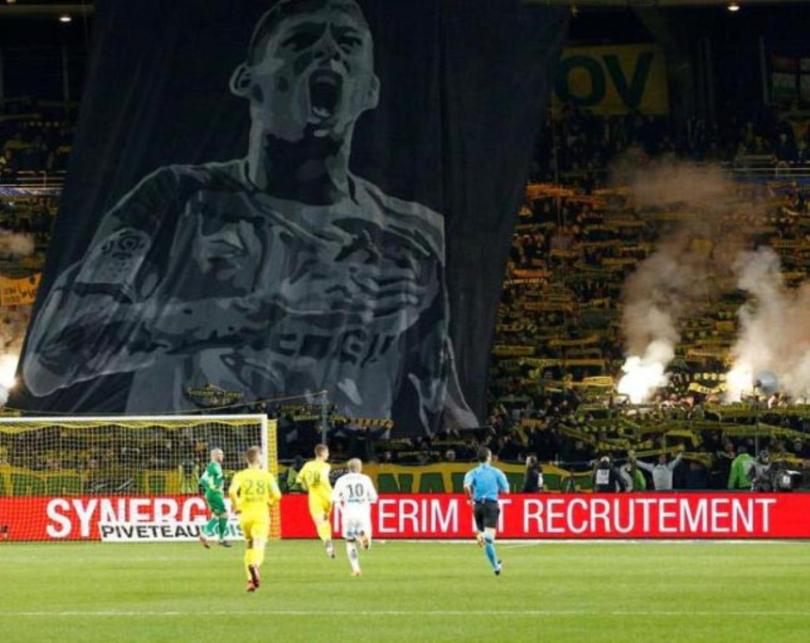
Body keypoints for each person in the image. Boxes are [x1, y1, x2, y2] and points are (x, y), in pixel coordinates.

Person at [21, 0, 476, 435]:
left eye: (348, 43)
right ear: (246, 80)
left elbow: (443, 400)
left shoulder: (411, 234)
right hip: (195, 464)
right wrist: (268, 307)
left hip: (335, 467)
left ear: (370, 90)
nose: (328, 51)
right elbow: (50, 360)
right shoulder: (177, 198)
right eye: (301, 40)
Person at [228, 446, 281, 592]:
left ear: (247, 459)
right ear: (259, 459)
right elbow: (277, 495)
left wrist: (237, 506)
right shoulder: (267, 476)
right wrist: (269, 502)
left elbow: (231, 491)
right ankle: (255, 565)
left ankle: (250, 581)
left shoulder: (240, 475)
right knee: (259, 544)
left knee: (249, 545)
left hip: (245, 516)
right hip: (260, 515)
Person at [463, 447, 508, 576]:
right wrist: (497, 487)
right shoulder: (496, 472)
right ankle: (481, 536)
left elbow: (466, 486)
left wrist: (469, 497)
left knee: (488, 542)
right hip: (490, 505)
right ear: (489, 457)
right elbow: (506, 490)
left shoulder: (472, 473)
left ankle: (496, 566)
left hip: (477, 506)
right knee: (489, 537)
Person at [331, 457, 378, 576]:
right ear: (359, 467)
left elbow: (334, 498)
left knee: (349, 542)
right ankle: (362, 537)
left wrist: (342, 502)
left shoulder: (341, 480)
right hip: (363, 512)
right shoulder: (365, 479)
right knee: (367, 544)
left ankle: (356, 569)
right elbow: (374, 498)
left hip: (348, 513)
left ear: (349, 468)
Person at [298, 443, 335, 558]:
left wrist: (306, 486)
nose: (328, 454)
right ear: (322, 453)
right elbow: (324, 478)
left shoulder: (307, 465)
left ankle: (327, 541)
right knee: (325, 520)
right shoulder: (327, 466)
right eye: (327, 452)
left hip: (315, 499)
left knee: (320, 523)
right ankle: (328, 542)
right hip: (328, 497)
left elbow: (299, 479)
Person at [198, 448, 231, 548]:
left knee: (216, 515)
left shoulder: (217, 466)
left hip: (215, 493)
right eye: (220, 454)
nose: (222, 456)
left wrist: (223, 478)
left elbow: (216, 479)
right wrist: (211, 487)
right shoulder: (212, 466)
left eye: (222, 454)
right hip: (214, 494)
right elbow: (202, 480)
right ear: (214, 455)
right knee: (224, 514)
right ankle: (219, 538)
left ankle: (205, 535)